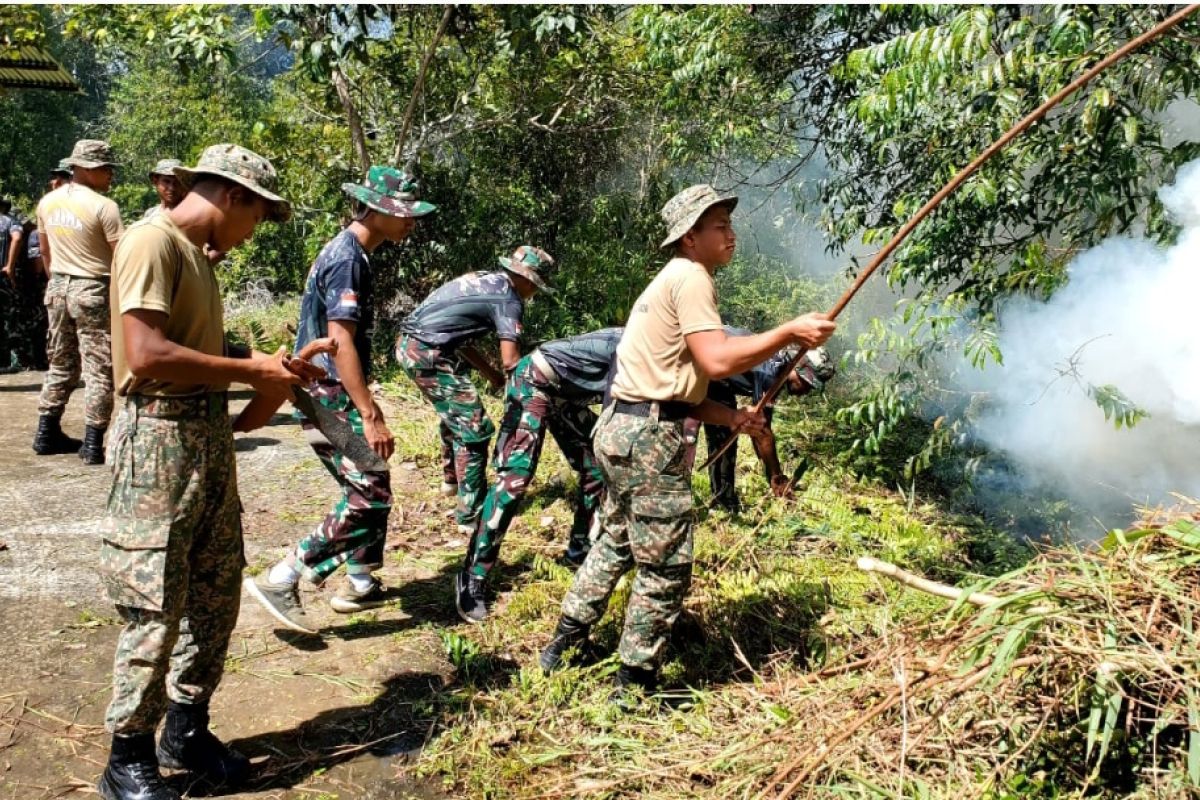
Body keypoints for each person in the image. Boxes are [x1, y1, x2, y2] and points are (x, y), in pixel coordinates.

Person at [539, 184, 837, 702]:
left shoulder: (668, 282)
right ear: (690, 237)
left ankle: (565, 643)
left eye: (729, 224)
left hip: (620, 429)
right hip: (649, 443)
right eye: (719, 226)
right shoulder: (692, 279)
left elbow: (674, 387)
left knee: (614, 540)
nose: (731, 235)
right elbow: (720, 362)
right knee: (665, 566)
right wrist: (789, 332)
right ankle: (634, 684)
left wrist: (733, 417)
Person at [97, 143, 317, 800]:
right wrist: (253, 373)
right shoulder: (151, 242)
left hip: (204, 433)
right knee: (154, 602)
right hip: (158, 435)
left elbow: (198, 345)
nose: (253, 232)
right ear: (233, 195)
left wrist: (270, 369)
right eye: (257, 216)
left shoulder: (198, 259)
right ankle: (127, 754)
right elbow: (146, 352)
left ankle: (185, 727)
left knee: (216, 592)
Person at [245, 166, 436, 635]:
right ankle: (283, 575)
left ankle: (360, 580)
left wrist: (369, 402)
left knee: (370, 479)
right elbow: (339, 342)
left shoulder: (354, 253)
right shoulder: (348, 258)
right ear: (376, 209)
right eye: (404, 212)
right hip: (325, 394)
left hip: (325, 390)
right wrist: (369, 413)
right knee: (371, 491)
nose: (411, 221)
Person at [456, 327, 618, 623]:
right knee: (515, 477)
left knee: (595, 468)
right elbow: (614, 414)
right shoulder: (636, 346)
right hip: (535, 379)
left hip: (567, 395)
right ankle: (473, 574)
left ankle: (579, 550)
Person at [396, 246, 554, 537]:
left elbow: (461, 340)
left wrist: (490, 374)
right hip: (428, 354)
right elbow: (512, 360)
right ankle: (471, 515)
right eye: (534, 286)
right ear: (527, 279)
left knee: (456, 414)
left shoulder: (484, 281)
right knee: (475, 429)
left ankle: (451, 482)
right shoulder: (509, 299)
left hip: (412, 345)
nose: (532, 292)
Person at [33, 139, 124, 464]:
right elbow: (121, 258)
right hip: (93, 288)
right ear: (84, 168)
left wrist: (57, 282)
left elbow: (45, 251)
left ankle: (46, 431)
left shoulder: (48, 202)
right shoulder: (104, 207)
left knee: (60, 362)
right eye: (104, 167)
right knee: (99, 366)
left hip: (57, 286)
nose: (110, 173)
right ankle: (92, 442)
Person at [704, 329, 835, 512]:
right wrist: (776, 476)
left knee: (729, 431)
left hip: (720, 378)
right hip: (701, 363)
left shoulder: (779, 364)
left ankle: (724, 500)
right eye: (807, 383)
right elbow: (762, 431)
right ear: (797, 365)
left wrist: (771, 472)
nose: (806, 391)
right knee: (720, 437)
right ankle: (721, 504)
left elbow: (760, 426)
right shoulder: (770, 370)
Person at [0, 198, 24, 373]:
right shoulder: (9, 221)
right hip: (2, 277)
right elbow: (17, 238)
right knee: (6, 321)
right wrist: (10, 265)